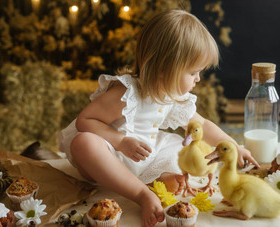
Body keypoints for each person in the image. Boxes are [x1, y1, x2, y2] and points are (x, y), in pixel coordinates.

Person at [58, 9, 259, 227]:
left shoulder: (172, 94)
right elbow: (85, 121)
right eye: (193, 72)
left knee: (179, 149)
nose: (198, 79)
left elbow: (202, 125)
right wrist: (120, 141)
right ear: (164, 69)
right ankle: (141, 194)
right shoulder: (126, 94)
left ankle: (158, 180)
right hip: (112, 154)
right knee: (84, 143)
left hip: (145, 152)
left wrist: (233, 147)